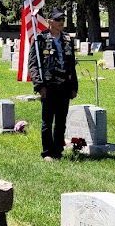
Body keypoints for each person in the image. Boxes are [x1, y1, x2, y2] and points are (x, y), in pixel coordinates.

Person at [27, 8, 78, 160]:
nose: (61, 22)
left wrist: (74, 86)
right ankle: (47, 152)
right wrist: (39, 85)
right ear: (50, 22)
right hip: (48, 87)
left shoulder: (68, 39)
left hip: (64, 86)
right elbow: (33, 65)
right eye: (58, 20)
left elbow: (71, 66)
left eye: (63, 19)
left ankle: (58, 151)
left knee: (61, 122)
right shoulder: (40, 40)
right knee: (47, 122)